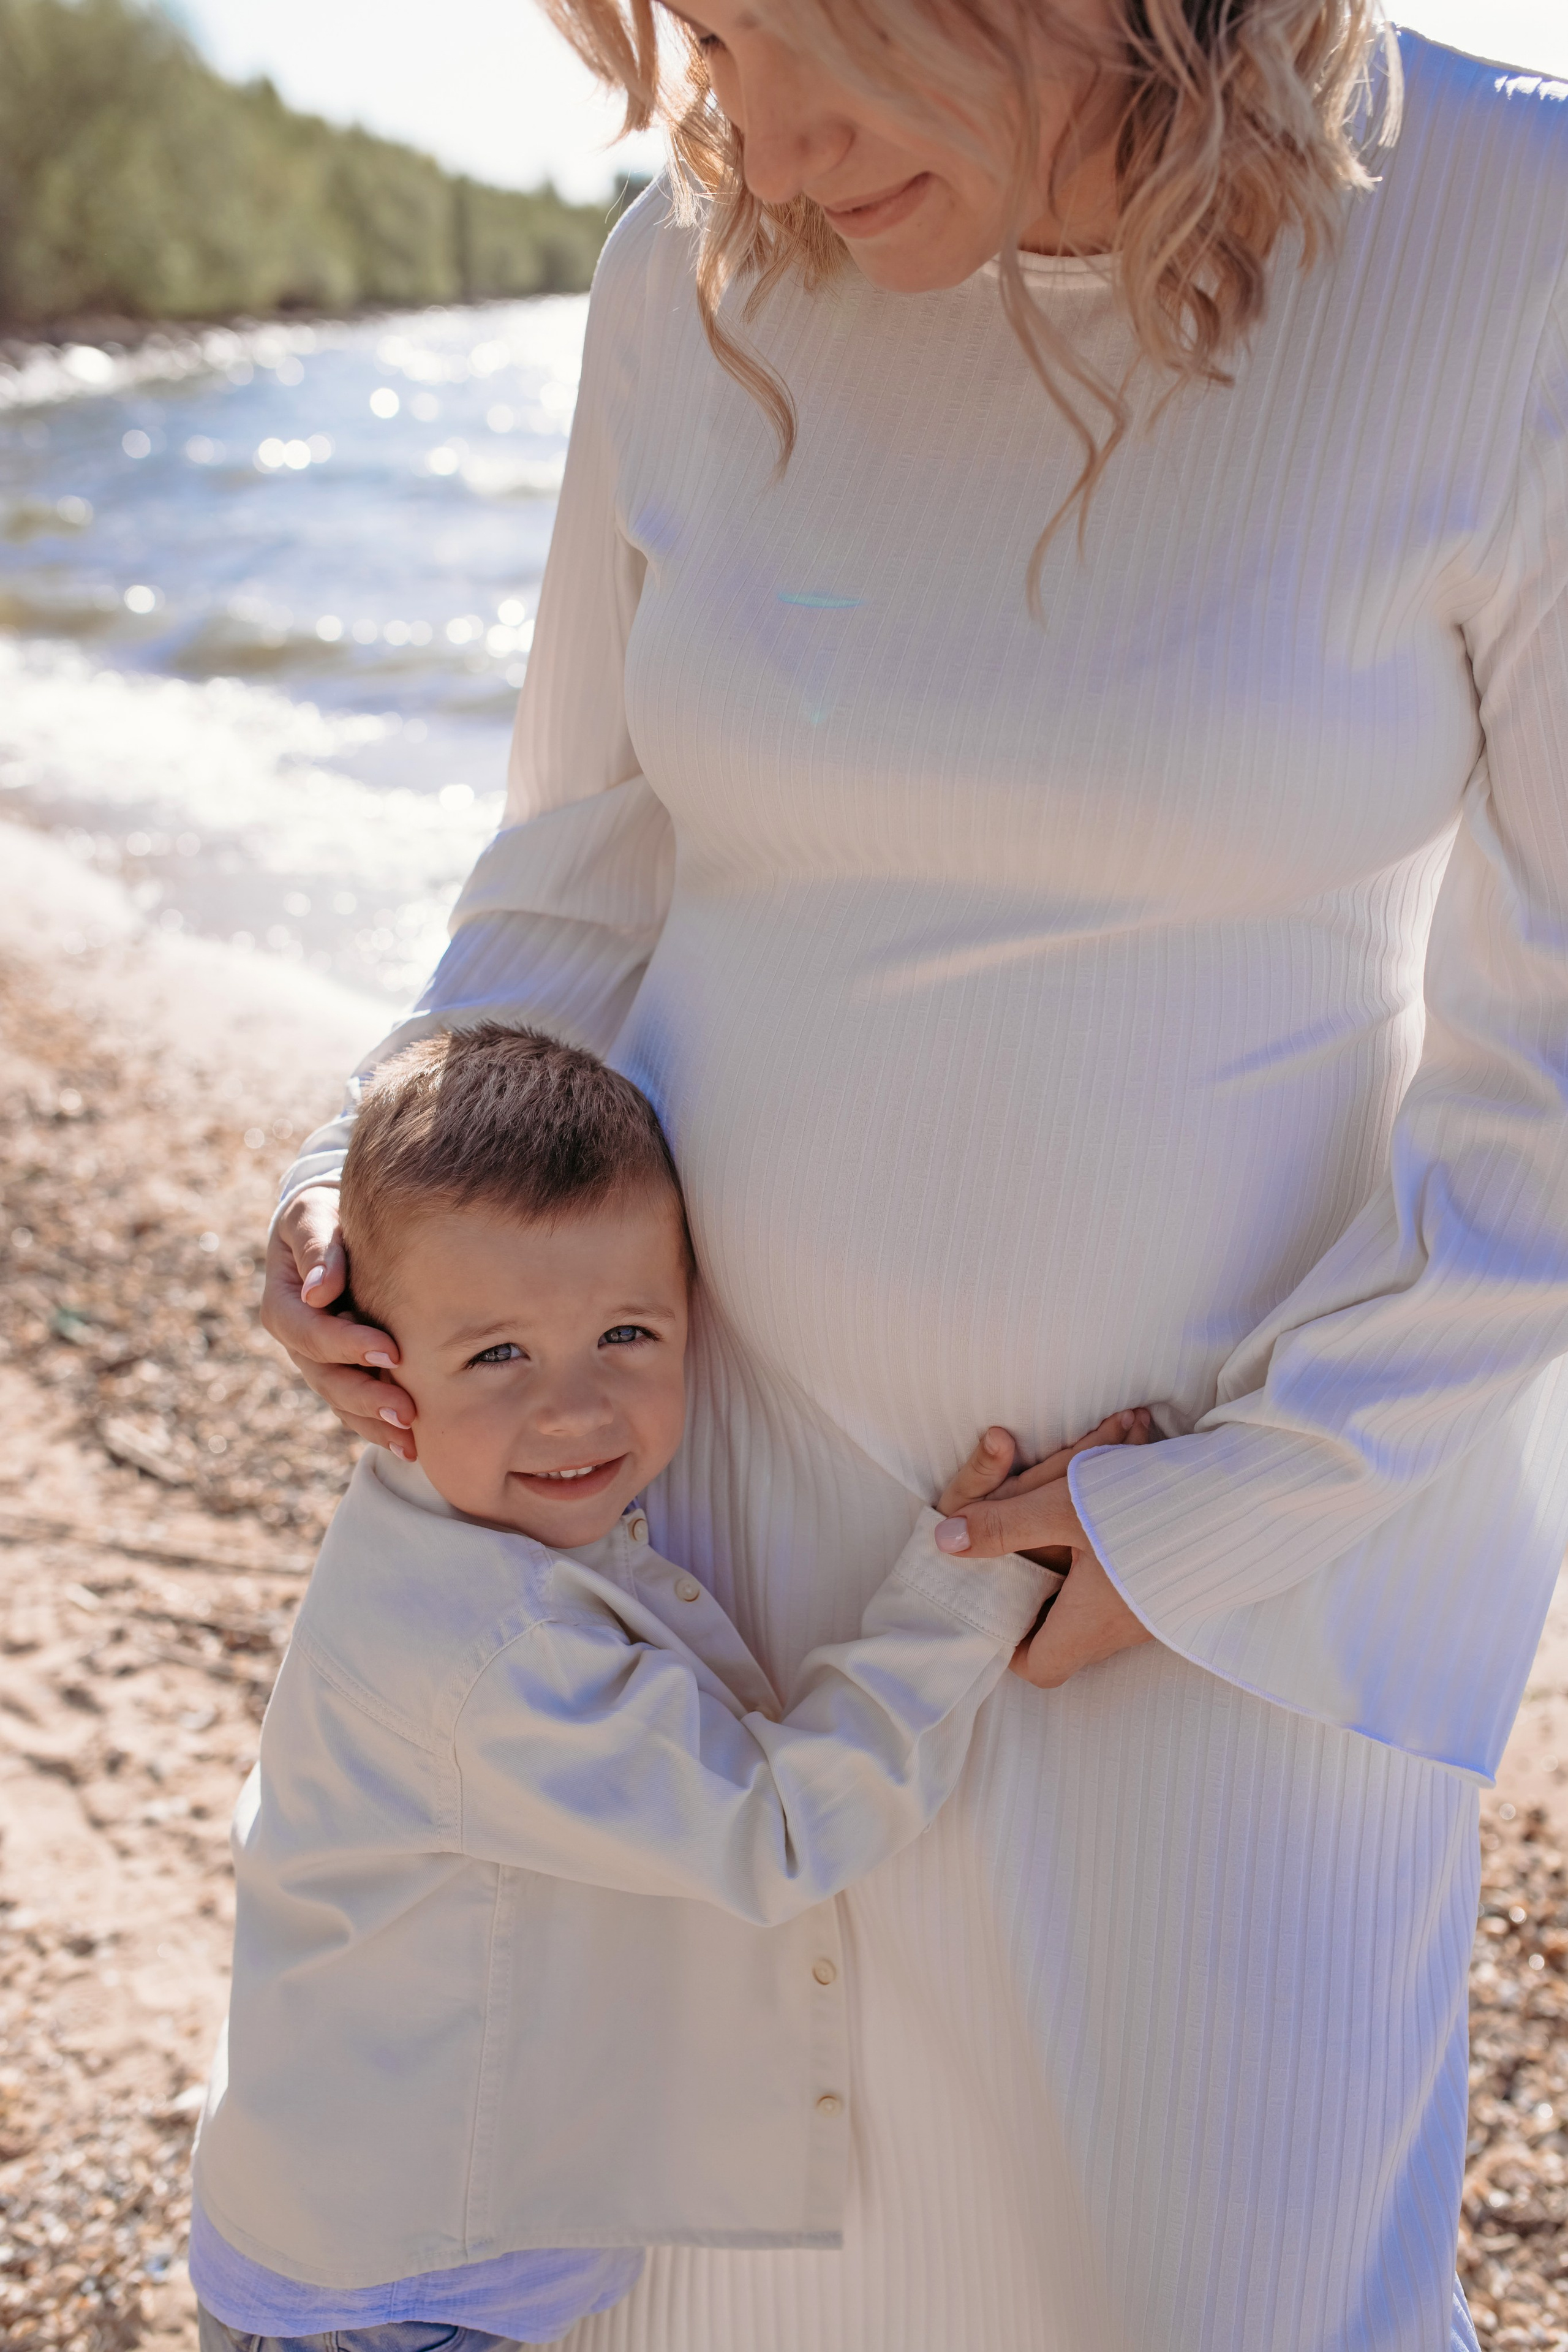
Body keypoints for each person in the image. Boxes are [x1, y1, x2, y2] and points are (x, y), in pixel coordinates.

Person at [263, 0, 1568, 2342]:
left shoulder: (1515, 233)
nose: (747, 125)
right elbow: (573, 876)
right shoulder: (698, 270)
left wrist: (1231, 1513)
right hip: (696, 1556)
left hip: (1217, 1595)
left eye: (806, 22)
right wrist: (376, 1206)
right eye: (699, 29)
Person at [196, 1023, 1149, 2349]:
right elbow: (770, 1832)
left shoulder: (464, 1530)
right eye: (496, 1357)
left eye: (625, 1333)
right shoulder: (483, 1660)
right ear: (369, 1359)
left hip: (396, 2247)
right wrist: (971, 1579)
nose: (577, 1410)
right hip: (396, 2300)